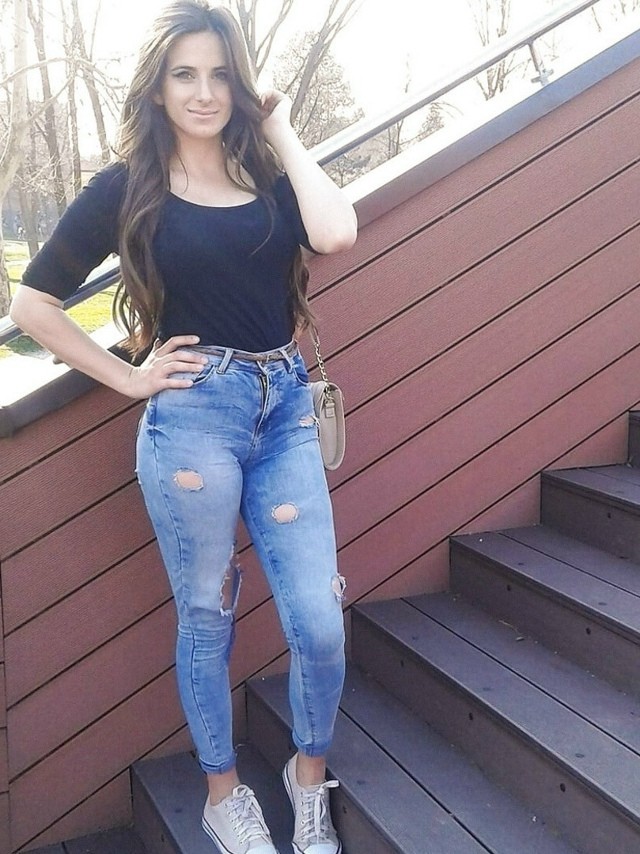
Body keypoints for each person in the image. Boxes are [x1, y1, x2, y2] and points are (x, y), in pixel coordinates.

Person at [9, 2, 357, 853]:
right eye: (184, 75)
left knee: (319, 621)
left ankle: (307, 778)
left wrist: (281, 129)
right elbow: (32, 303)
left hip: (285, 409)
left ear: (240, 85)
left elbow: (336, 231)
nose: (204, 92)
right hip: (194, 420)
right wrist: (130, 379)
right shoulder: (125, 188)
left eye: (220, 75)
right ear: (158, 88)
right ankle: (222, 796)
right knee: (207, 614)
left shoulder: (263, 168)